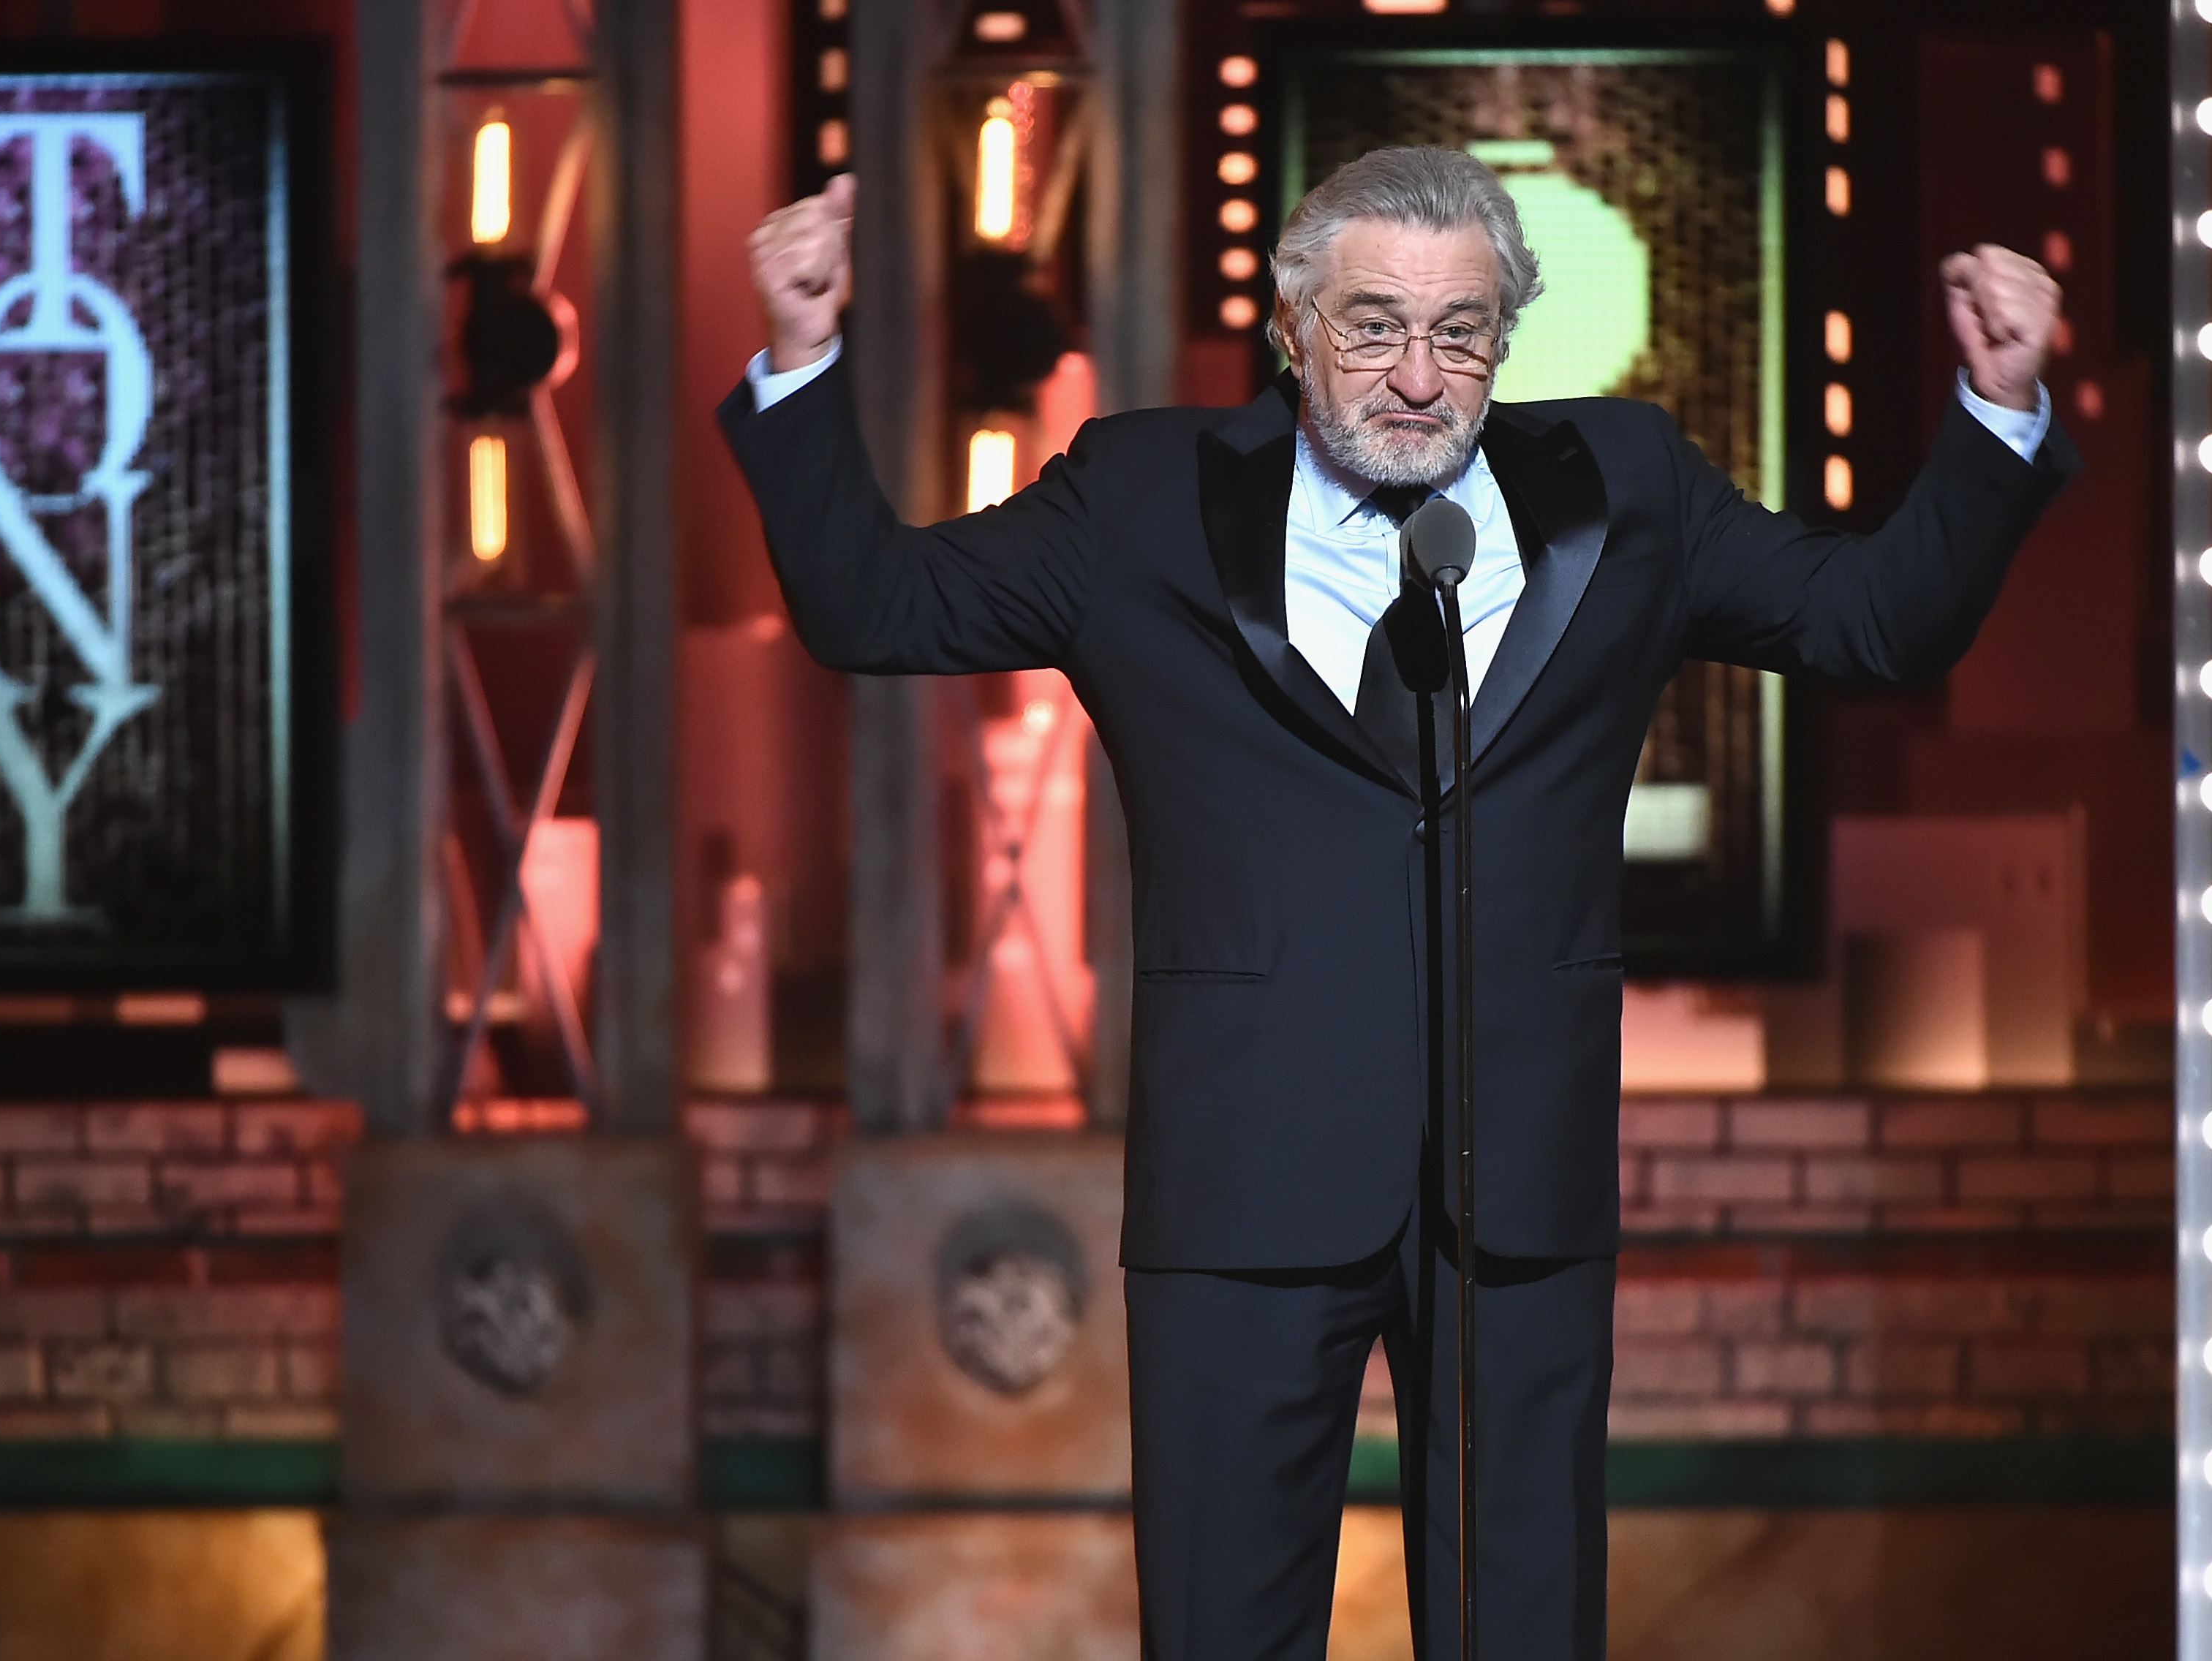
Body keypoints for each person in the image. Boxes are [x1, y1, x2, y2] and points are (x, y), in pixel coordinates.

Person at [723, 145, 2072, 1661]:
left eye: (1463, 332)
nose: (1419, 376)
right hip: (1245, 1184)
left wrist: (1998, 413)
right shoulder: (1144, 498)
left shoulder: (1626, 491)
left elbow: (1878, 622)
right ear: (1295, 327)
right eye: (1374, 325)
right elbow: (875, 604)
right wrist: (802, 357)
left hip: (1518, 1185)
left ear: (1507, 341)